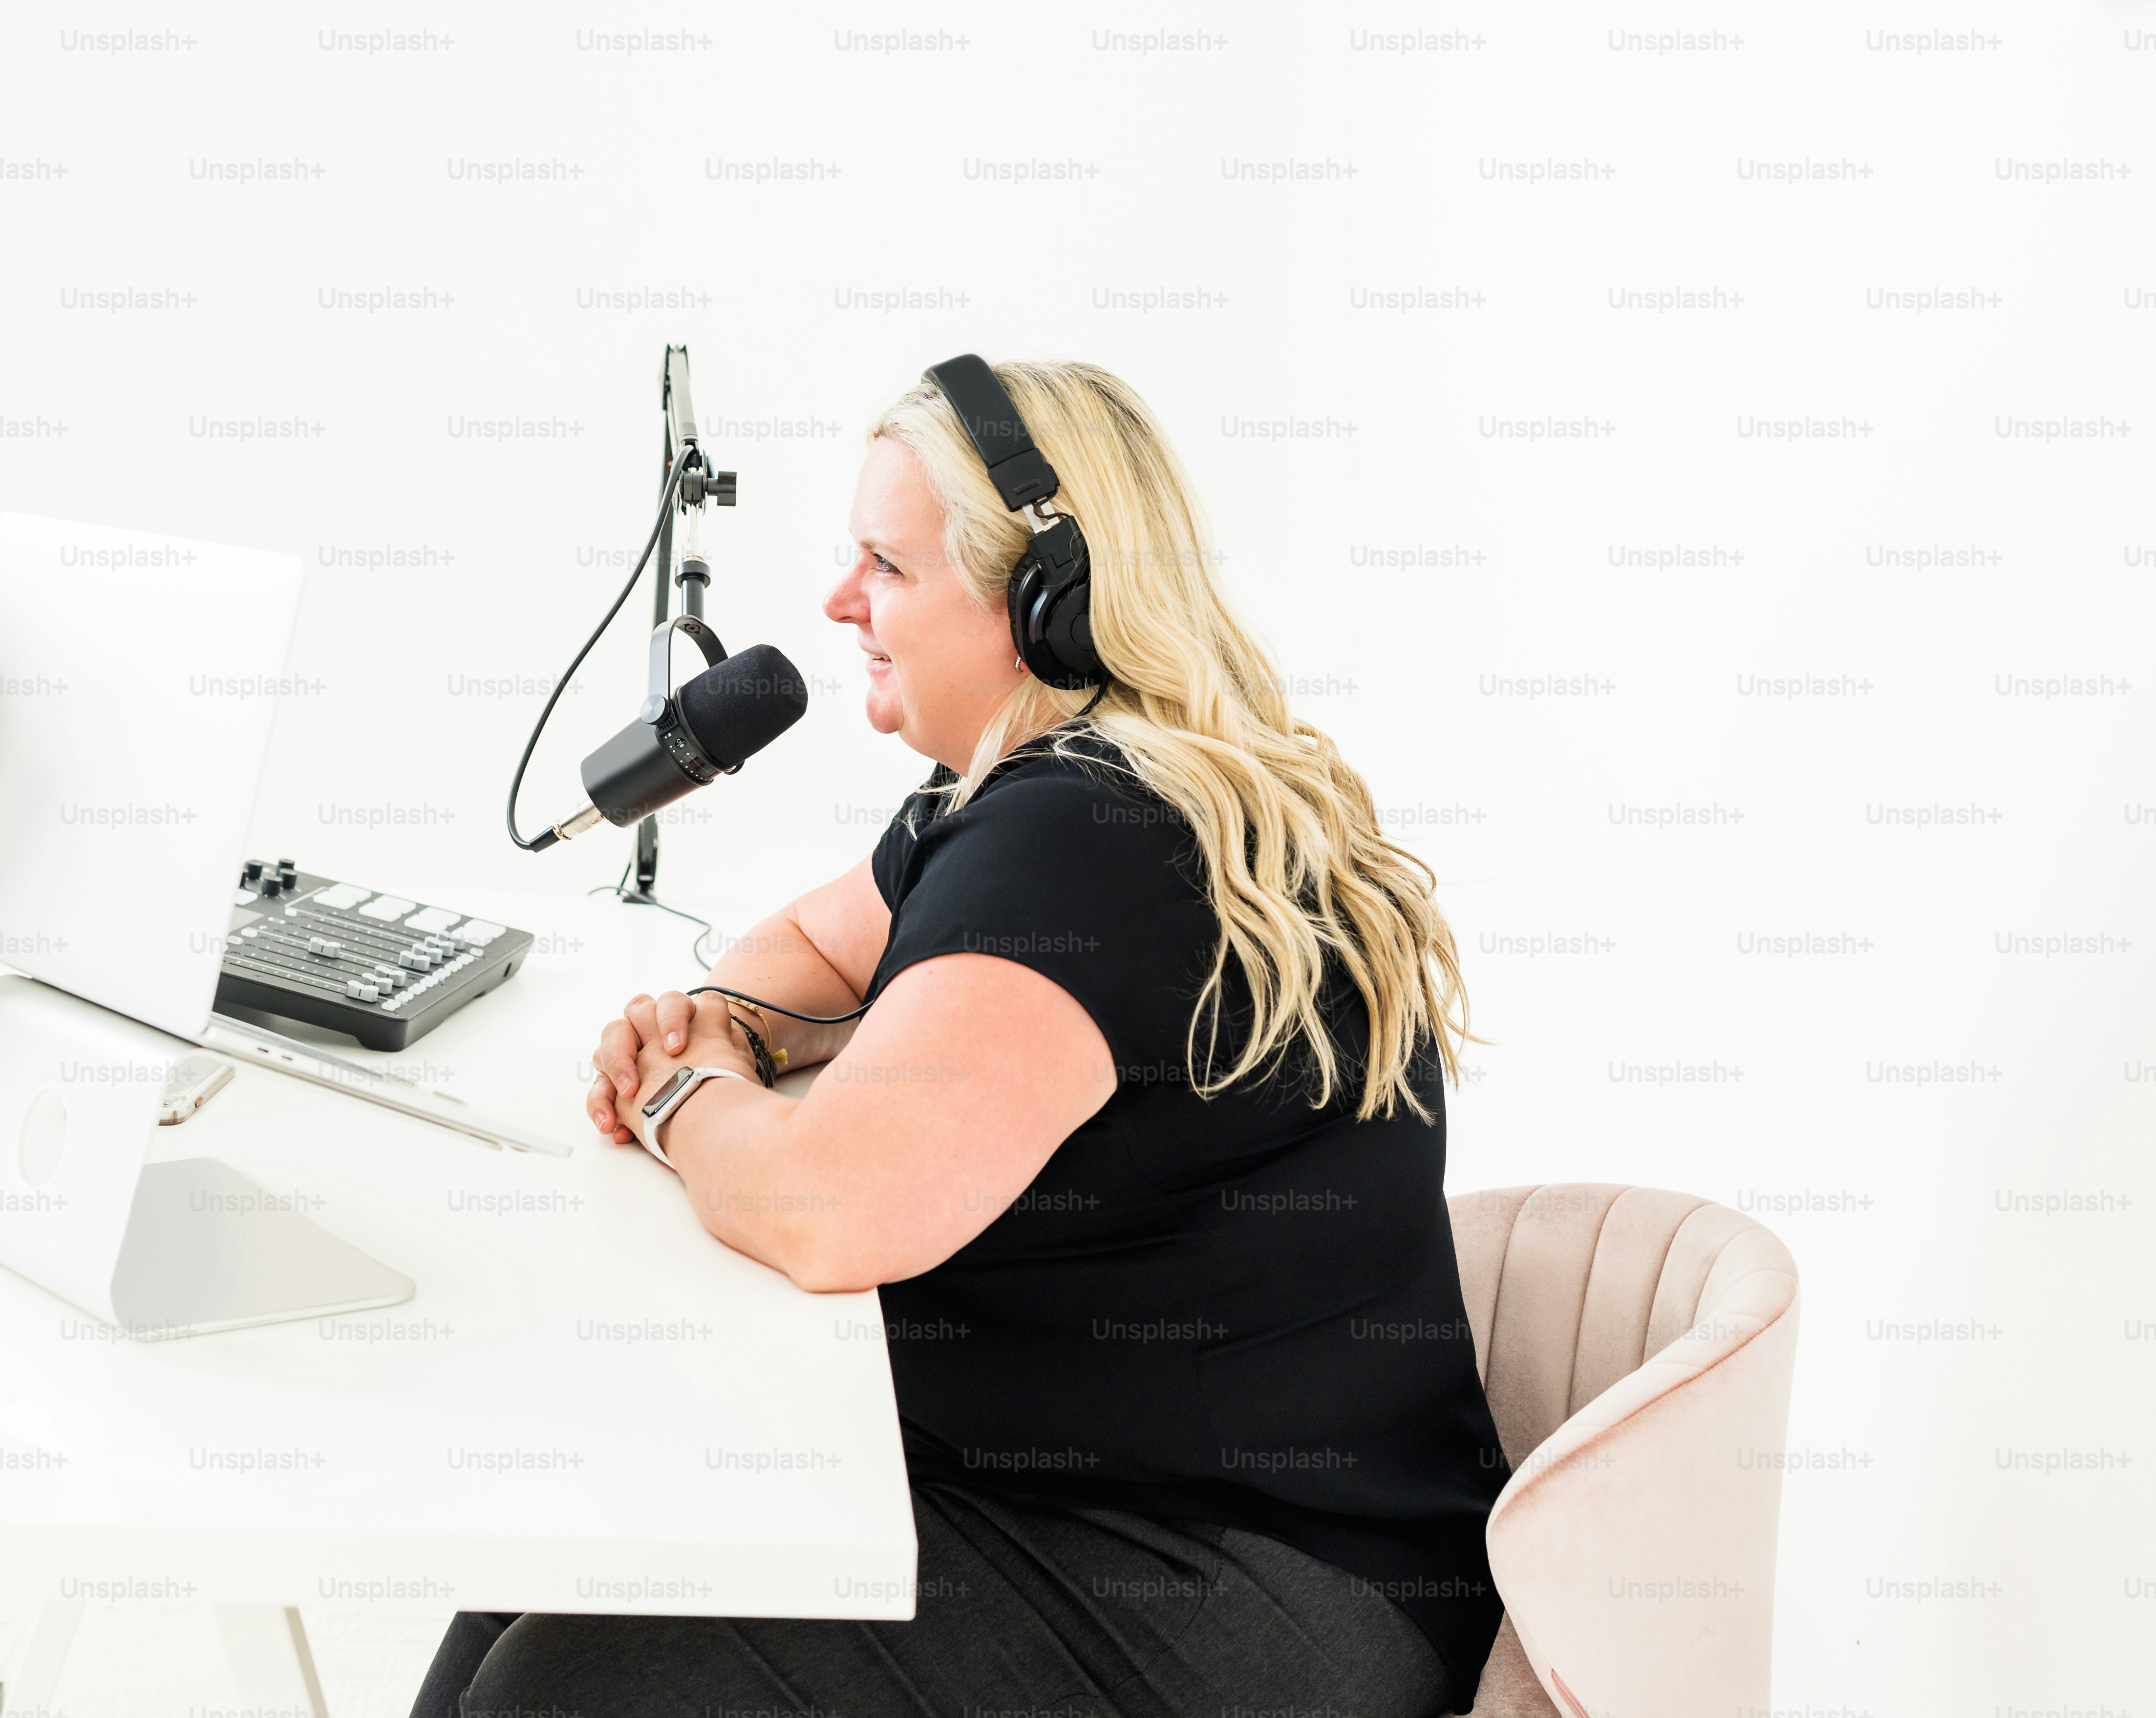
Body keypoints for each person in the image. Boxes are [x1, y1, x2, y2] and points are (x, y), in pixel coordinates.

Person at [412, 359, 1506, 1718]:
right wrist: (735, 1033)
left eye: (886, 565)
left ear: (1047, 603)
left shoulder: (1086, 836)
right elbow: (815, 948)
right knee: (562, 1557)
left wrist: (681, 1091)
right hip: (1142, 1507)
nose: (838, 602)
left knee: (569, 1688)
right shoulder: (1046, 788)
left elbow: (828, 1213)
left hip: (1252, 1589)